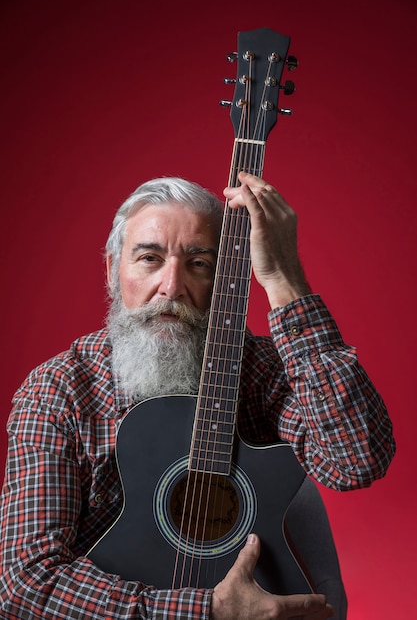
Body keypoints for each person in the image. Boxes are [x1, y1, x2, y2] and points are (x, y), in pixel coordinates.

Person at [0, 172, 395, 619]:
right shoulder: (61, 392)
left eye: (199, 263)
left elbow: (356, 460)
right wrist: (206, 609)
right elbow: (25, 585)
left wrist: (285, 280)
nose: (172, 286)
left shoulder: (257, 369)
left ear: (225, 279)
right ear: (113, 271)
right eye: (150, 258)